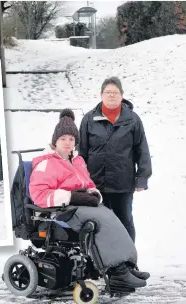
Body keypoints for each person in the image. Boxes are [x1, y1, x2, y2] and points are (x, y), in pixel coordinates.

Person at [29, 108, 150, 291]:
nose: (68, 143)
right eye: (63, 139)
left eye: (71, 139)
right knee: (101, 223)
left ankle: (127, 266)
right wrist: (72, 196)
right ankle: (116, 273)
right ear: (55, 141)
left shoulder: (77, 161)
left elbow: (87, 183)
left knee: (111, 216)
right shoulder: (47, 163)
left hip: (79, 205)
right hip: (62, 211)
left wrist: (93, 194)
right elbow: (39, 195)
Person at [78, 77, 152, 243]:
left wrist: (142, 177)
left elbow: (142, 150)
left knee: (124, 221)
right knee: (97, 224)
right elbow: (81, 153)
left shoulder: (133, 119)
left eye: (115, 92)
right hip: (95, 184)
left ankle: (128, 262)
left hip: (123, 184)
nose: (111, 96)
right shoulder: (89, 120)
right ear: (101, 95)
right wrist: (81, 180)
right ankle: (101, 265)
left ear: (122, 95)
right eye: (108, 92)